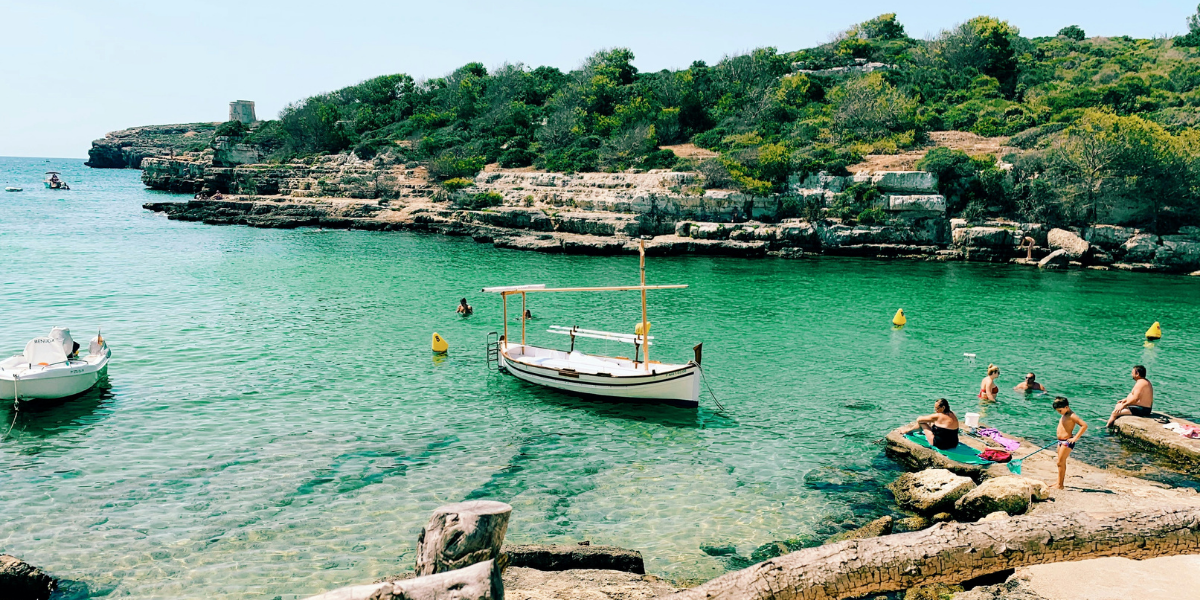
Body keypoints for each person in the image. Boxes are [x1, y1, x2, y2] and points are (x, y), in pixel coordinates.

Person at [1052, 397, 1088, 490]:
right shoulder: (1065, 414)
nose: (1059, 412)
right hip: (1061, 441)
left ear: (1066, 407)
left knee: (1060, 462)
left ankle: (1060, 485)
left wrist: (1075, 438)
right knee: (1059, 463)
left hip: (1067, 442)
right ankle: (1058, 482)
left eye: (1060, 410)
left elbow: (1084, 425)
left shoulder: (1072, 416)